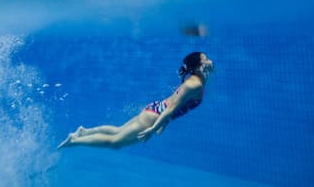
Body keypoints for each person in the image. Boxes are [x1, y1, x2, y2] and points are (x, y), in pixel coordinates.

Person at [57, 52, 214, 150]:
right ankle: (75, 140)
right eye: (205, 59)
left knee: (118, 130)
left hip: (155, 111)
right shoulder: (194, 84)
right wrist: (153, 129)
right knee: (115, 143)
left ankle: (85, 131)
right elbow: (171, 109)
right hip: (155, 116)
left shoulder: (196, 80)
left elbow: (175, 105)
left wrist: (163, 123)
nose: (209, 61)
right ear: (198, 66)